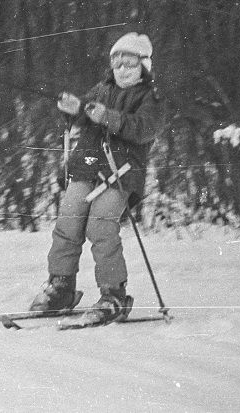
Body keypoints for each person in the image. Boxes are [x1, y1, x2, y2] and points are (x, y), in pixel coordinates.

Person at [30, 32, 164, 324]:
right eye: (117, 62)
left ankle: (113, 295)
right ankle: (61, 287)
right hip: (87, 167)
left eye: (129, 62)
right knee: (67, 224)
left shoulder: (149, 98)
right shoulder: (101, 89)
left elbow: (143, 129)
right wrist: (74, 109)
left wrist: (107, 117)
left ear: (144, 65)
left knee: (101, 227)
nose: (122, 69)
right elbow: (84, 113)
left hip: (120, 174)